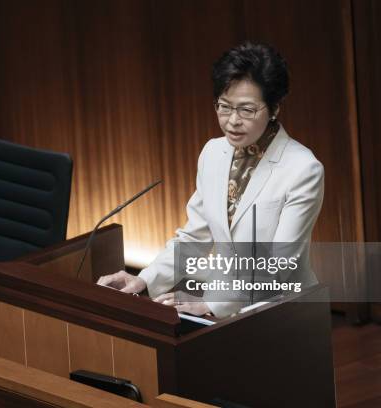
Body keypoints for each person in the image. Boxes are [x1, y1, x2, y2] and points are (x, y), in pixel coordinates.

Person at [97, 42, 324, 317]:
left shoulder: (303, 169)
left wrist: (213, 305)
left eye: (247, 110)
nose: (232, 121)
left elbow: (280, 263)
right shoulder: (213, 153)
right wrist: (146, 280)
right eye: (224, 107)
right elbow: (194, 238)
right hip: (222, 308)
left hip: (280, 312)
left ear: (275, 108)